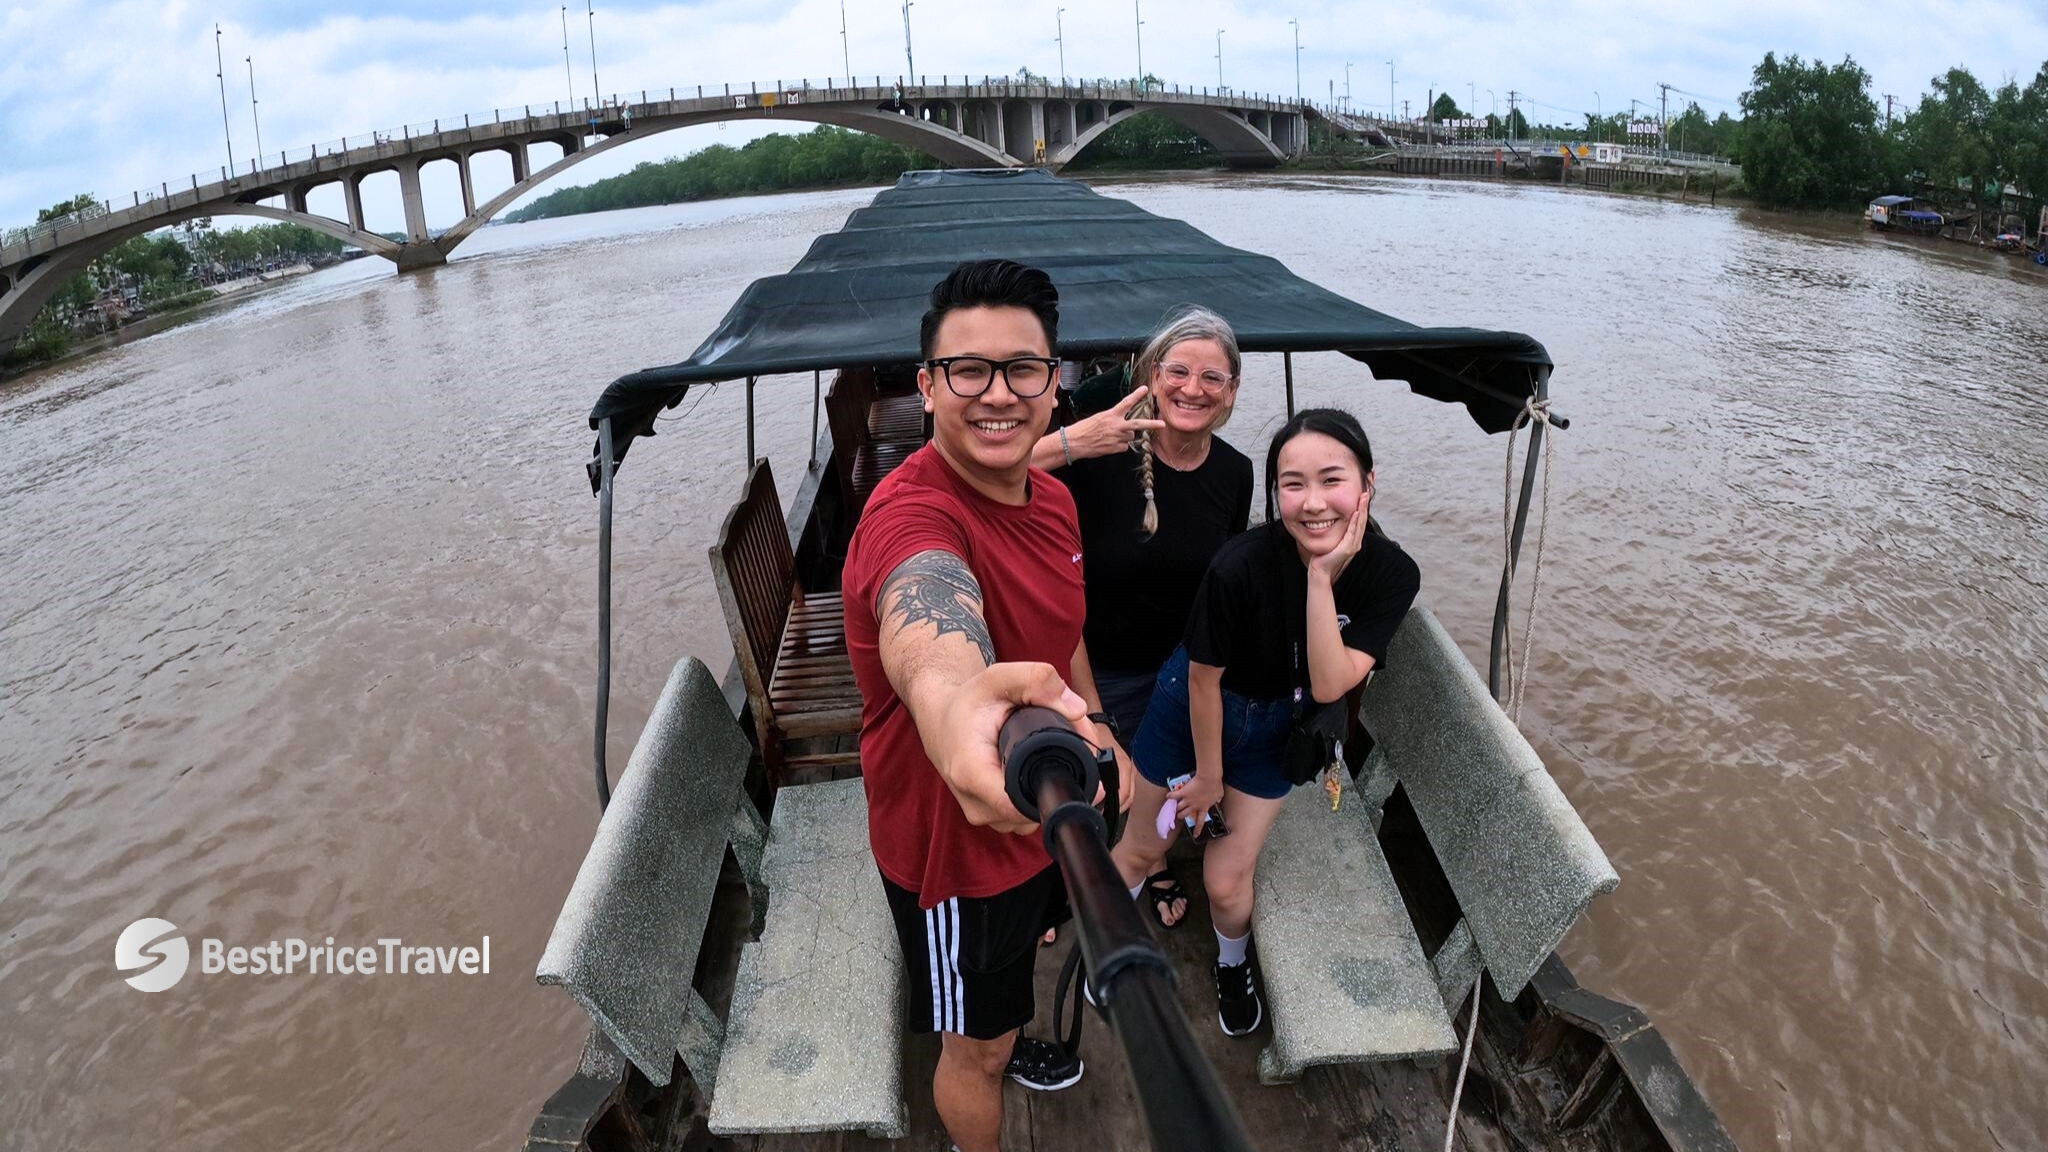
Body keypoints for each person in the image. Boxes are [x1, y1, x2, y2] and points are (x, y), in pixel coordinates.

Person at [841, 258, 1135, 1152]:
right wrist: (957, 710)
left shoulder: (1053, 500)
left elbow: (1062, 633)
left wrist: (1097, 722)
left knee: (1014, 975)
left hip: (1043, 813)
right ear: (928, 387)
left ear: (1055, 384)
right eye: (969, 370)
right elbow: (928, 618)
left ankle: (1007, 1024)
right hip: (955, 854)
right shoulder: (906, 520)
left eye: (1023, 369)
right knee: (976, 1048)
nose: (998, 393)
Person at [1118, 408, 1420, 1036]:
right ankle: (1110, 953)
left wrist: (1320, 579)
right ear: (1274, 491)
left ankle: (1232, 964)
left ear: (1368, 484)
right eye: (1293, 484)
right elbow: (1202, 679)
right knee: (1143, 847)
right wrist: (1207, 777)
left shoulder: (1391, 574)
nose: (1313, 503)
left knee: (1226, 882)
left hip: (1280, 725)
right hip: (1194, 706)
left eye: (1332, 480)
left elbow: (1332, 684)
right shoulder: (1239, 565)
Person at [1035, 306, 1254, 930]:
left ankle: (1150, 860)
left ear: (1231, 391)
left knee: (1156, 788)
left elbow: (1224, 587)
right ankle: (1049, 883)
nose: (1193, 389)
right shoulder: (1100, 453)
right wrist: (1070, 442)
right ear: (1152, 375)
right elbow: (986, 471)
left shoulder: (1236, 473)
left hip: (1180, 673)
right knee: (1086, 785)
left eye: (1212, 378)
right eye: (1178, 371)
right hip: (1090, 661)